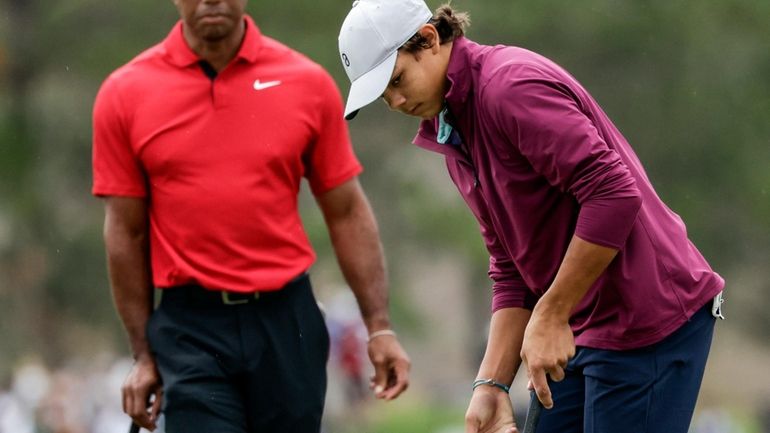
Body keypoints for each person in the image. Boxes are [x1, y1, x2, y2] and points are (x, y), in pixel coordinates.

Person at [337, 1, 725, 432]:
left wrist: (552, 312)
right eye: (382, 95)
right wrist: (491, 385)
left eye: (396, 81)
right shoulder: (453, 131)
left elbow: (613, 194)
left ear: (429, 40)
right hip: (580, 325)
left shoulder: (509, 87)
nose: (395, 101)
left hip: (645, 318)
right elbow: (511, 266)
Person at [91, 1, 410, 432]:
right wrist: (142, 354)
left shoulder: (307, 83)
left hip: (287, 322)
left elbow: (346, 212)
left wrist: (378, 328)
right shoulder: (125, 92)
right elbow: (125, 234)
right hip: (190, 327)